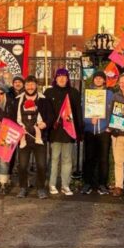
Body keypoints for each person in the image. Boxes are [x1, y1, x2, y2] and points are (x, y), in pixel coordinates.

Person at [11, 75, 52, 199]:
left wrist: (45, 123)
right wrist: (18, 128)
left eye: (32, 84)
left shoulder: (44, 99)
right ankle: (23, 187)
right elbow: (12, 117)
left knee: (41, 165)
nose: (30, 87)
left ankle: (40, 188)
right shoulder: (18, 100)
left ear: (36, 85)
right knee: (22, 165)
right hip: (23, 138)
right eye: (28, 84)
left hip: (40, 139)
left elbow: (51, 116)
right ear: (25, 86)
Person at [44, 68, 83, 196]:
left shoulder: (74, 93)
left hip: (69, 131)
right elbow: (46, 113)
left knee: (67, 160)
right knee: (54, 159)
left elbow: (78, 113)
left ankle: (65, 185)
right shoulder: (49, 92)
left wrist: (79, 131)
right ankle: (52, 184)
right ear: (55, 78)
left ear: (67, 79)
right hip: (55, 132)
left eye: (64, 76)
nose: (61, 78)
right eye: (59, 76)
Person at [81, 71, 113, 195]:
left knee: (103, 159)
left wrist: (110, 125)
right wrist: (89, 120)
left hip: (104, 130)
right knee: (89, 158)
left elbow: (113, 111)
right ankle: (88, 183)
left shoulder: (110, 94)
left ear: (104, 80)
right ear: (93, 80)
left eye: (101, 78)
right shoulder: (87, 93)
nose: (98, 80)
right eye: (96, 78)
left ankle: (102, 184)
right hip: (90, 130)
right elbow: (82, 110)